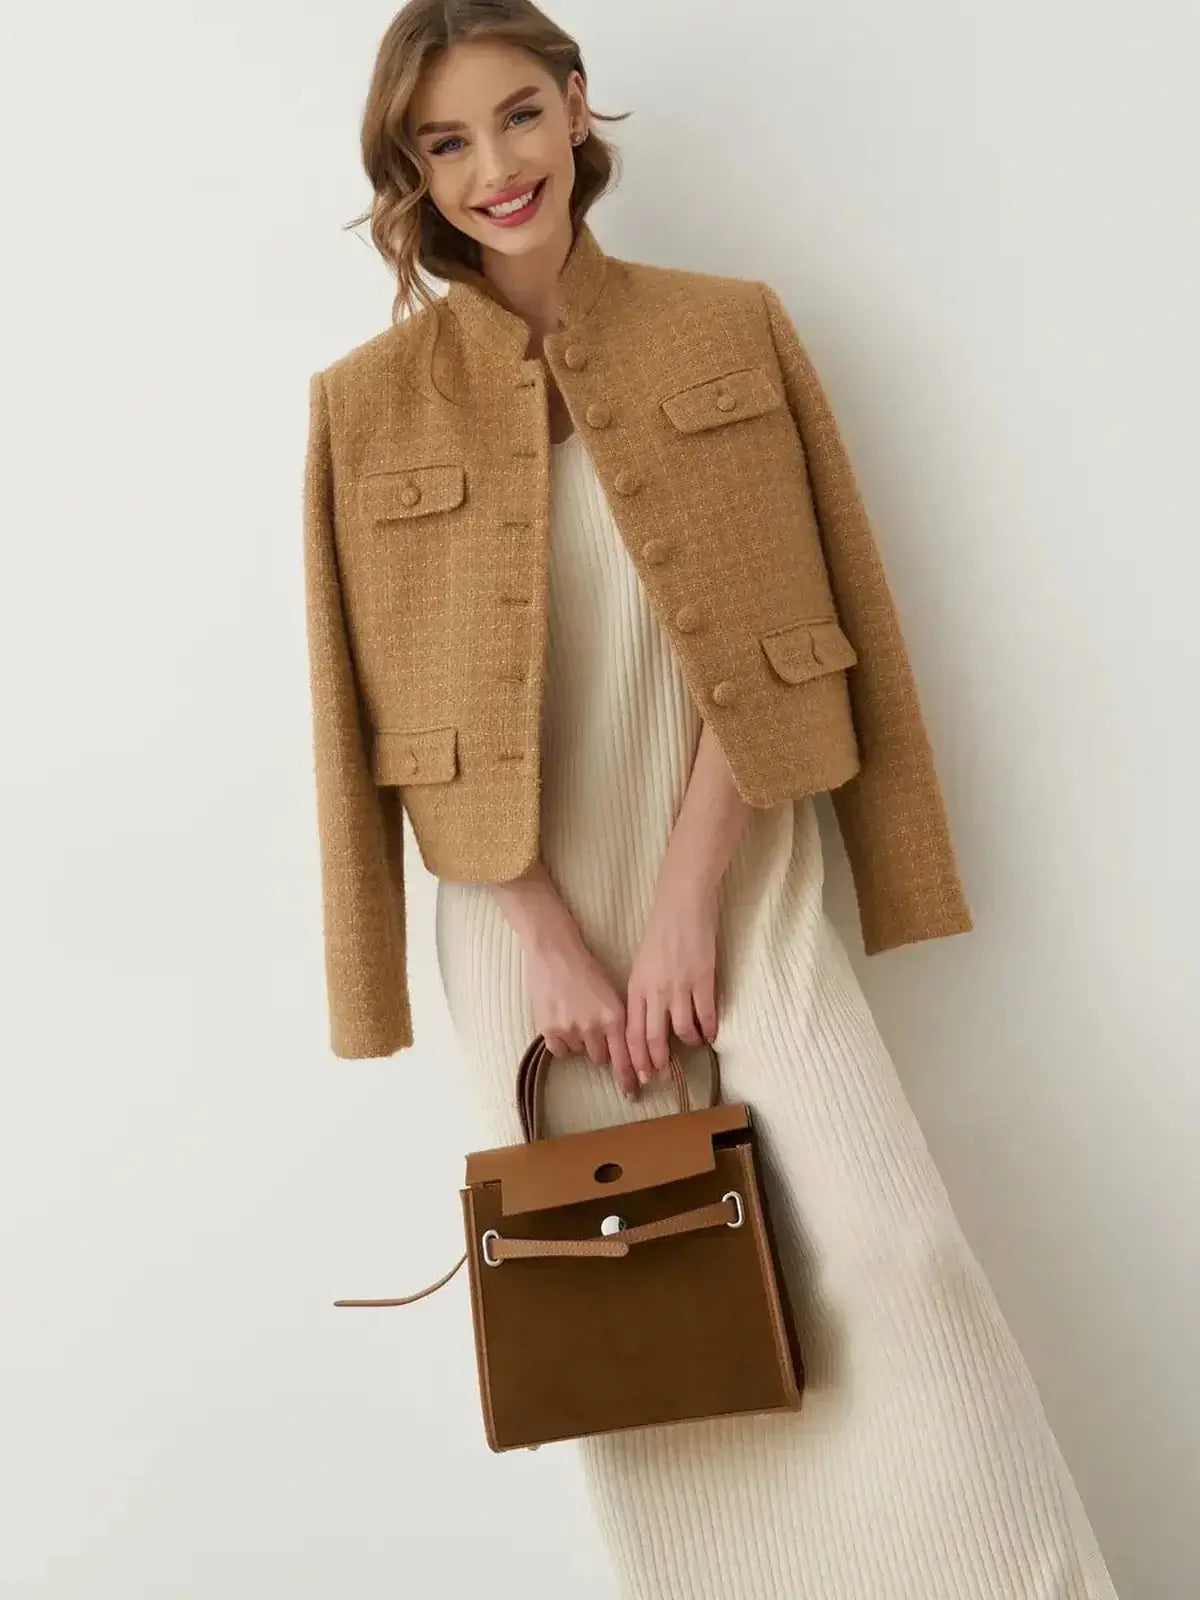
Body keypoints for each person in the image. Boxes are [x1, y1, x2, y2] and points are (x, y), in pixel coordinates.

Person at [301, 2, 1121, 1596]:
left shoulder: (724, 326)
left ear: (579, 103)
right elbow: (381, 717)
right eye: (446, 145)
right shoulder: (362, 406)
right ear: (410, 172)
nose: (496, 168)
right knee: (631, 1320)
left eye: (519, 115)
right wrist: (540, 933)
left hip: (737, 867)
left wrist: (690, 906)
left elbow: (799, 628)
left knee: (892, 1263)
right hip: (517, 923)